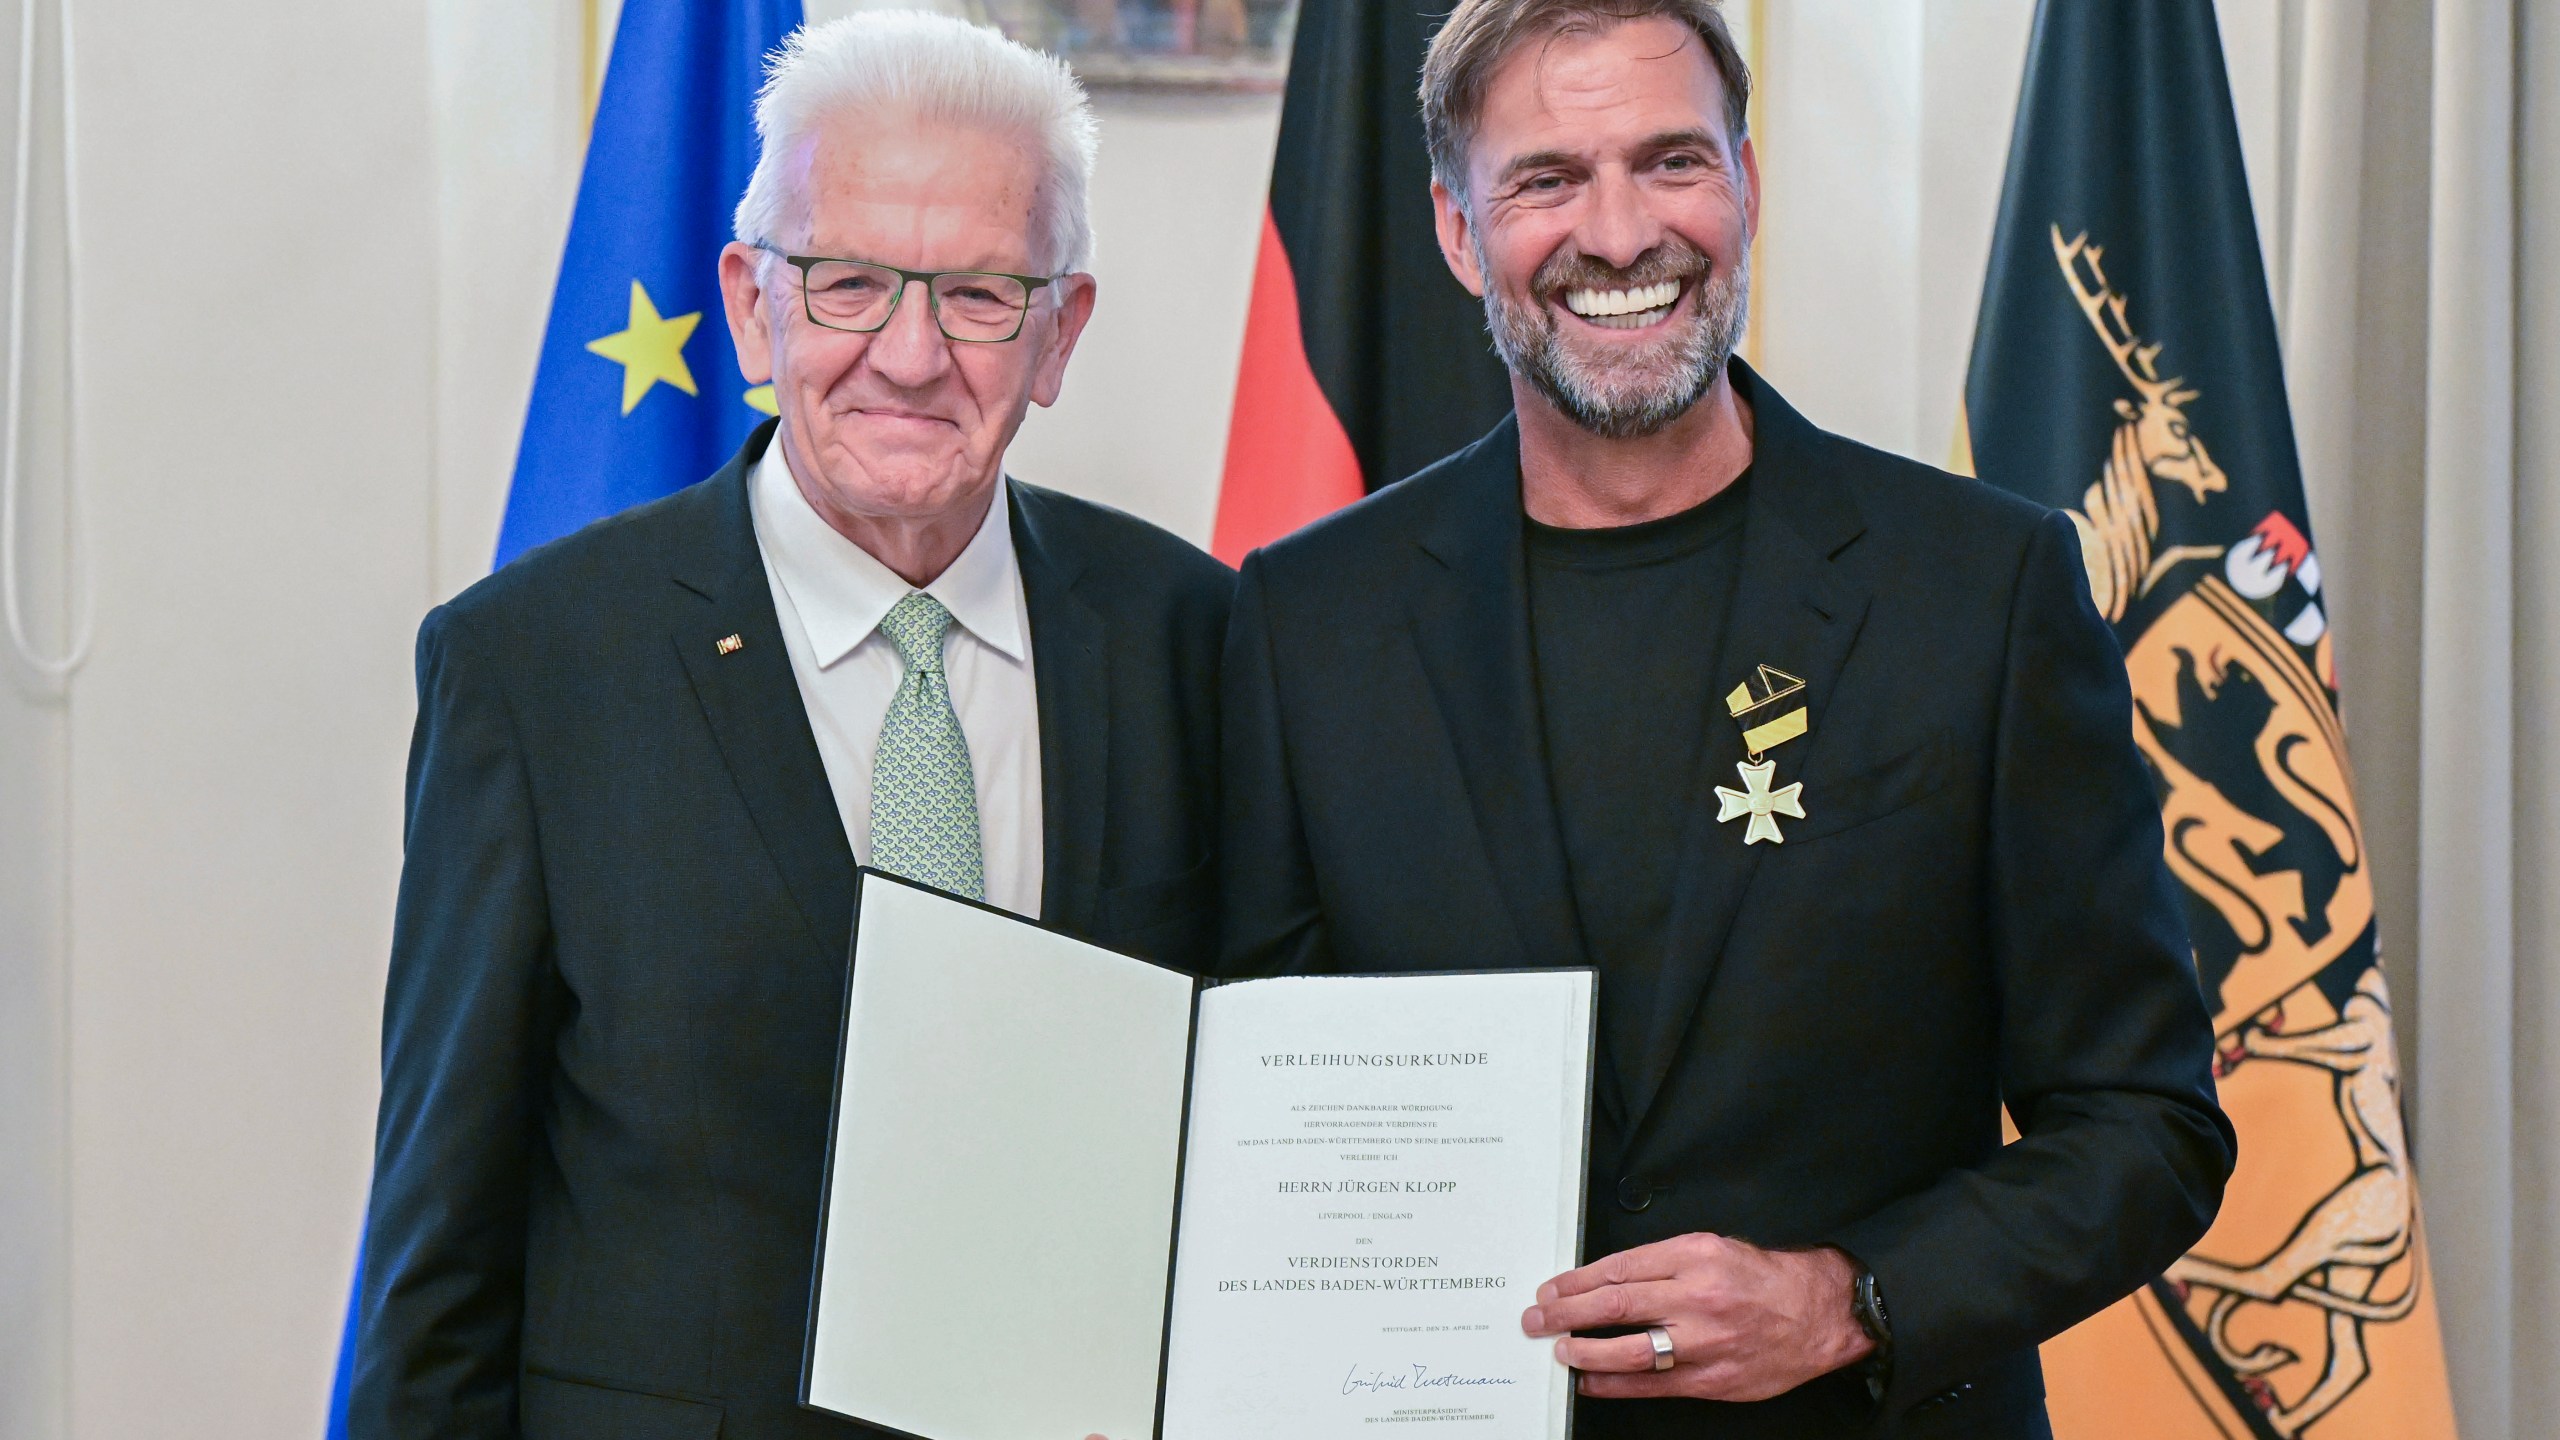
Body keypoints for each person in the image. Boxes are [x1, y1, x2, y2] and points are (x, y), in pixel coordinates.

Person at [1217, 2, 2235, 1436]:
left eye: (1672, 161)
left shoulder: (1982, 590)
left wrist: (1852, 1296)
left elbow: (2147, 1124)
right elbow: (1259, 1106)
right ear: (1457, 232)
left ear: (1746, 186)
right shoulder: (1306, 620)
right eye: (1548, 180)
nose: (1623, 234)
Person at [351, 14, 1230, 1437]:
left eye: (982, 295)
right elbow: (440, 1253)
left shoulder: (1195, 639)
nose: (910, 352)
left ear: (1059, 331)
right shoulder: (533, 669)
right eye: (849, 283)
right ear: (753, 305)